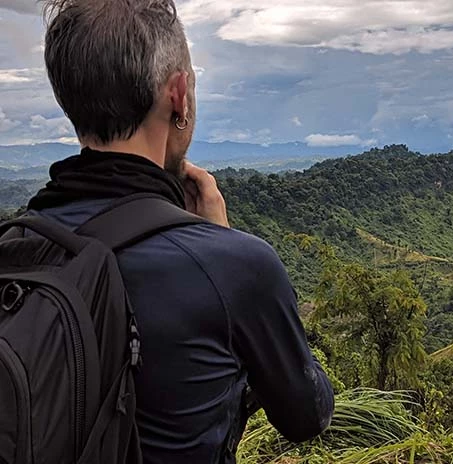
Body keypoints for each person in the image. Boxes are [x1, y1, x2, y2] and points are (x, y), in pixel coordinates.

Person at [27, 0, 335, 462]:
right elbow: (307, 416)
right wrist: (223, 241)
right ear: (179, 96)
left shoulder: (19, 246)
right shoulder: (236, 267)